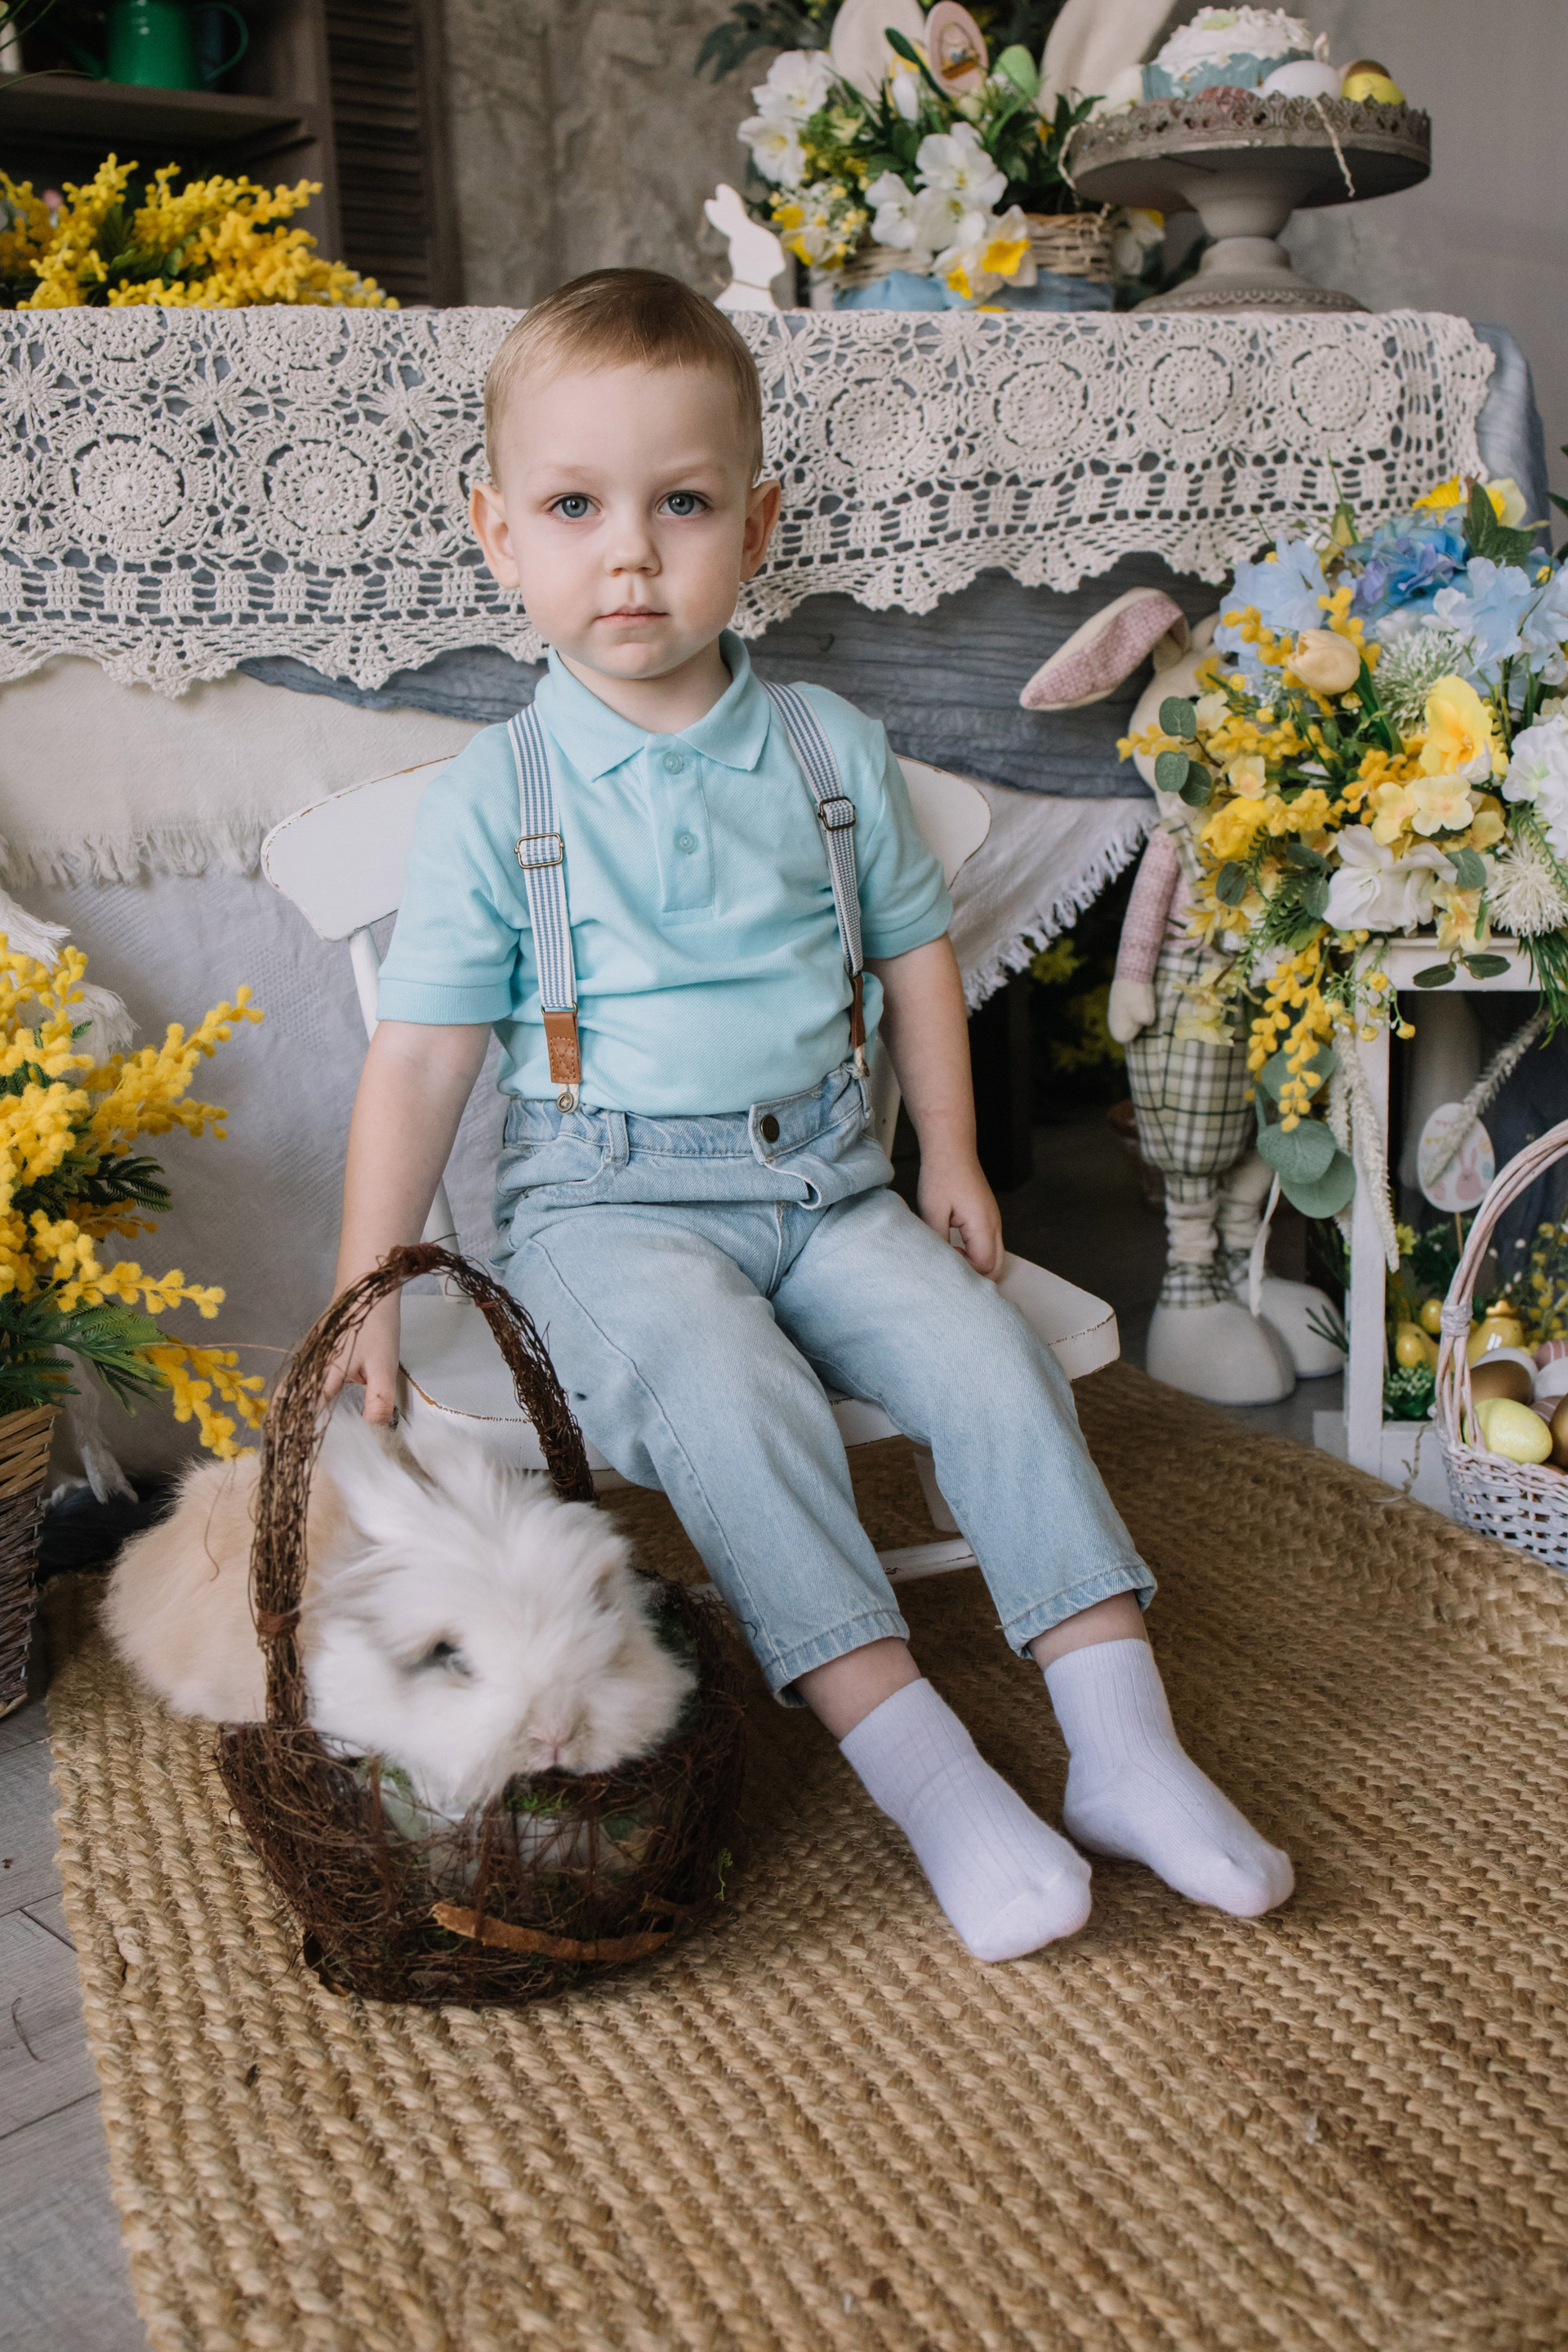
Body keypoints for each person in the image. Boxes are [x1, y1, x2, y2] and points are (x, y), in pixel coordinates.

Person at [327, 269, 1292, 1962]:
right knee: (731, 1391)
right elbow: (418, 1061)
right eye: (575, 508)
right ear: (500, 532)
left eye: (682, 504)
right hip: (607, 1213)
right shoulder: (499, 797)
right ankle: (933, 1777)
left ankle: (1126, 1748)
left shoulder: (825, 749)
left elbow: (917, 961)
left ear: (757, 524)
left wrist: (952, 1155)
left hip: (831, 1185)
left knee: (989, 1366)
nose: (632, 556)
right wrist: (370, 1283)